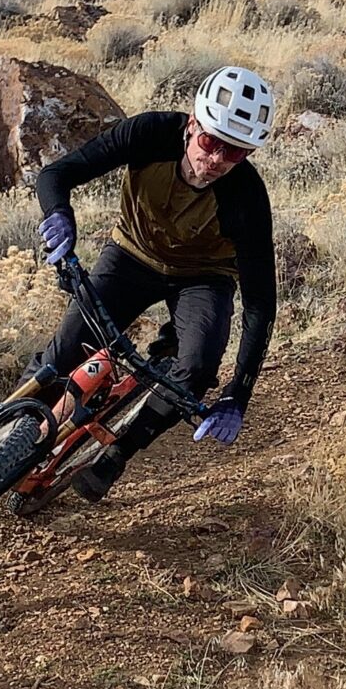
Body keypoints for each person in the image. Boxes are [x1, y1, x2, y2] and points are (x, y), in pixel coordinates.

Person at [29, 65, 277, 501]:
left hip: (202, 277)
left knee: (196, 367)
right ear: (192, 123)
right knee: (65, 349)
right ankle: (4, 432)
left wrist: (239, 393)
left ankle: (118, 453)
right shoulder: (148, 133)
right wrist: (59, 216)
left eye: (234, 152)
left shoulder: (248, 198)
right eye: (210, 141)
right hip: (131, 254)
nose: (217, 159)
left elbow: (260, 303)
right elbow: (56, 174)